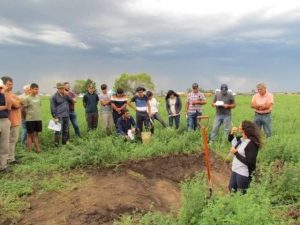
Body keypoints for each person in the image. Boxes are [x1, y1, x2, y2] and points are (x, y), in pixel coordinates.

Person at [228, 120, 262, 194]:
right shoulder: (241, 139)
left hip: (243, 172)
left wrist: (236, 153)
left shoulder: (251, 144)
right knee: (231, 190)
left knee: (242, 194)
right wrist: (231, 133)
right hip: (235, 169)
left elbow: (250, 162)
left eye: (240, 127)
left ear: (244, 130)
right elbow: (231, 140)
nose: (238, 127)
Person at [1, 76, 22, 164]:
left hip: (14, 120)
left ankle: (10, 157)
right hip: (11, 120)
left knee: (12, 140)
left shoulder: (10, 94)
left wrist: (17, 101)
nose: (11, 86)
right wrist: (17, 102)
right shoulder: (5, 94)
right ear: (3, 85)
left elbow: (20, 101)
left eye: (12, 84)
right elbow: (16, 105)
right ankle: (9, 158)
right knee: (10, 140)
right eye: (9, 84)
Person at [23, 83, 42, 153]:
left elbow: (39, 107)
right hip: (30, 119)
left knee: (36, 134)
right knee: (30, 134)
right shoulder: (26, 98)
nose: (37, 91)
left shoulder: (38, 98)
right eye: (35, 89)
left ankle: (37, 149)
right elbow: (24, 109)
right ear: (31, 89)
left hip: (38, 119)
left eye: (37, 89)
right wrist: (27, 117)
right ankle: (30, 150)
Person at [0, 80, 12, 172]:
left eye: (1, 87)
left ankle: (3, 166)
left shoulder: (3, 94)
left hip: (4, 120)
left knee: (4, 144)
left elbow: (8, 106)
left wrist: (5, 93)